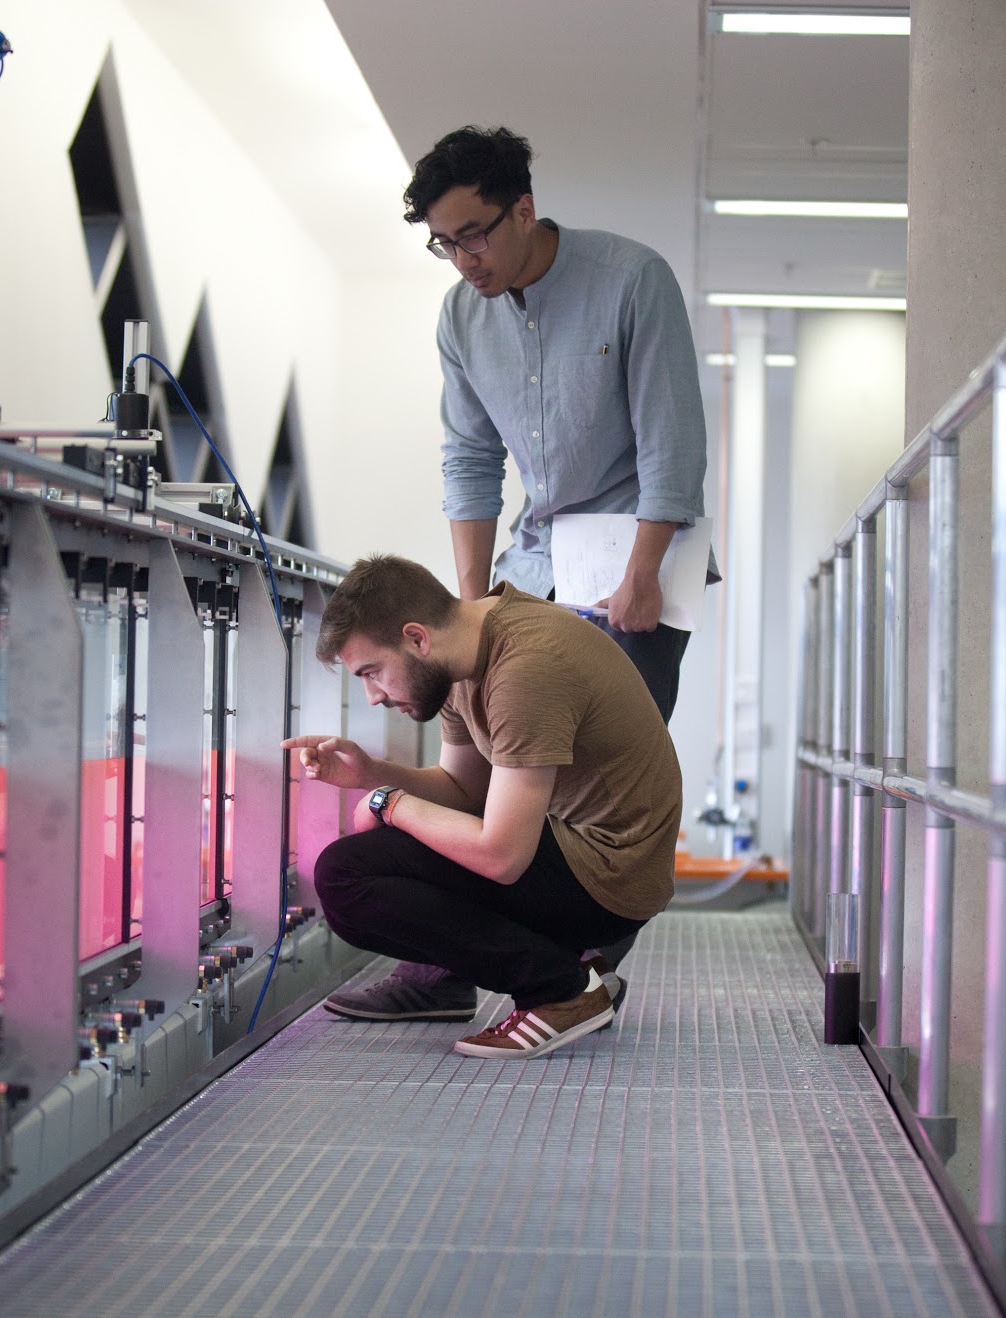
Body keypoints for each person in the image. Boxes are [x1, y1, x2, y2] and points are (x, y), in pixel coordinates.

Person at [323, 126, 709, 1023]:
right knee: (485, 771)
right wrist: (467, 599)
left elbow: (670, 442)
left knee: (597, 791)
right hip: (532, 568)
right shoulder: (461, 318)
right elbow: (468, 460)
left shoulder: (630, 279)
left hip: (634, 564)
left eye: (473, 235)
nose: (462, 260)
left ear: (522, 210)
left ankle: (573, 981)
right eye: (444, 243)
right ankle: (447, 968)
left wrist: (643, 570)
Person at [286, 555, 680, 1060]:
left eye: (373, 672)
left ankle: (559, 991)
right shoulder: (463, 657)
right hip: (579, 853)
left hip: (611, 878)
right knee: (373, 855)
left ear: (416, 638)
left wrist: (389, 804)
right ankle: (570, 969)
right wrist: (373, 776)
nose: (372, 697)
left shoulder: (526, 667)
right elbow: (462, 790)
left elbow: (501, 856)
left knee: (347, 875)